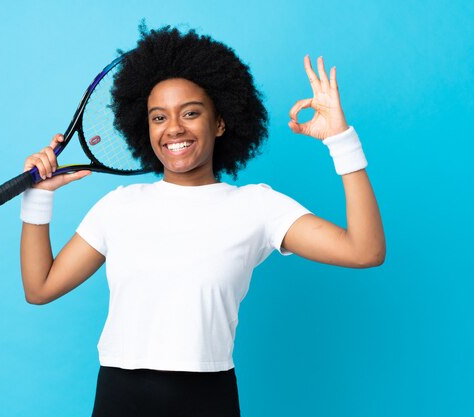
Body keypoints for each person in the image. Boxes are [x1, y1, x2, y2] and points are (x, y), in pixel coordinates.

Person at [19, 26, 385, 417]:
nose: (174, 128)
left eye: (190, 113)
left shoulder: (258, 206)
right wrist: (38, 199)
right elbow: (40, 288)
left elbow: (364, 250)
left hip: (207, 398)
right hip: (118, 397)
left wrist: (341, 140)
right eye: (159, 117)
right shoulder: (119, 207)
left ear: (220, 123)